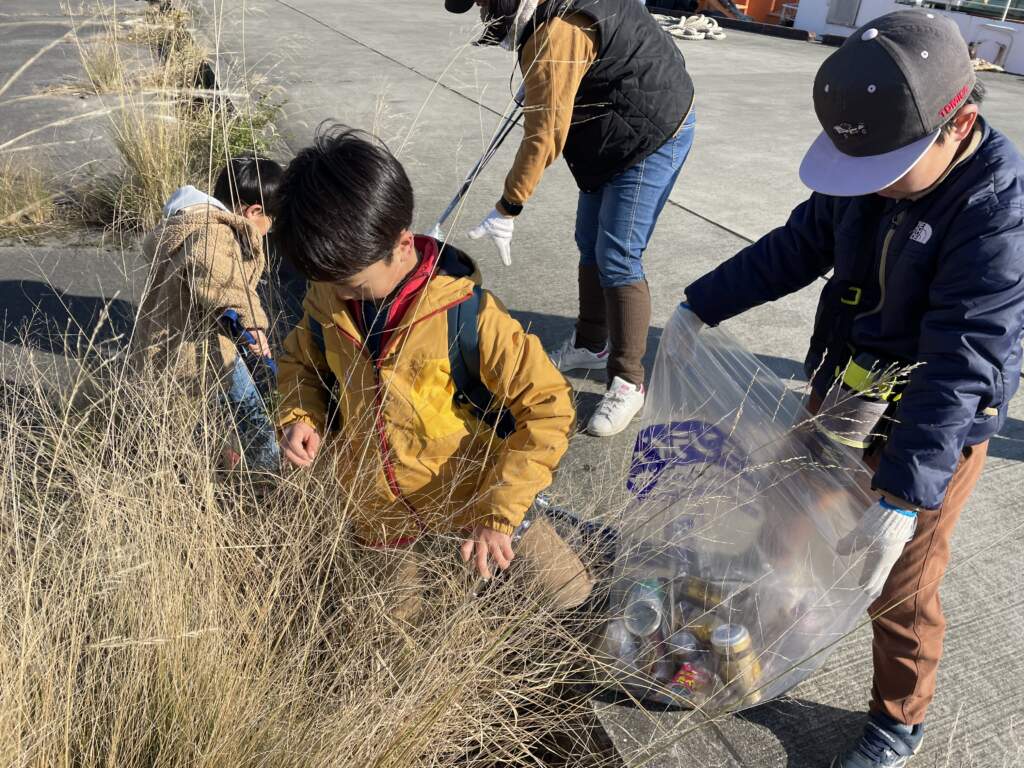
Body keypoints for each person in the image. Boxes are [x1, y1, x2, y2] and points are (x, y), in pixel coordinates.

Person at [679, 12, 1024, 767]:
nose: (872, 185)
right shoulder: (869, 167)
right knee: (786, 507)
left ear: (956, 126)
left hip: (939, 420)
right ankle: (781, 619)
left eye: (888, 167)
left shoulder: (996, 210)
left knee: (900, 581)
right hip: (846, 388)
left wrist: (904, 495)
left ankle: (899, 721)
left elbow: (963, 359)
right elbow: (800, 244)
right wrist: (701, 302)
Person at [272, 126, 593, 620]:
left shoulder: (468, 316)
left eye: (353, 284)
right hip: (379, 510)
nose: (340, 297)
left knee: (566, 592)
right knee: (396, 623)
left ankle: (590, 648)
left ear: (402, 245)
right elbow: (301, 364)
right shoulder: (327, 297)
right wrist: (302, 416)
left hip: (477, 494)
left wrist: (501, 514)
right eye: (326, 284)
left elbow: (550, 408)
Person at [446, 0, 696, 437]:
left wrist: (509, 206)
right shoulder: (546, 18)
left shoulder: (556, 32)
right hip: (612, 122)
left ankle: (628, 380)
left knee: (617, 254)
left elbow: (545, 136)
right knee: (589, 241)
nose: (484, 12)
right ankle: (589, 343)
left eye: (485, 2)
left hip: (652, 130)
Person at [133, 156, 284, 471]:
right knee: (249, 414)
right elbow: (217, 277)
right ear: (253, 211)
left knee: (202, 418)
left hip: (190, 343)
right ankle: (268, 480)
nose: (270, 230)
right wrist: (253, 324)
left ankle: (218, 461)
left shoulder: (191, 222)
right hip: (194, 350)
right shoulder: (214, 233)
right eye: (272, 220)